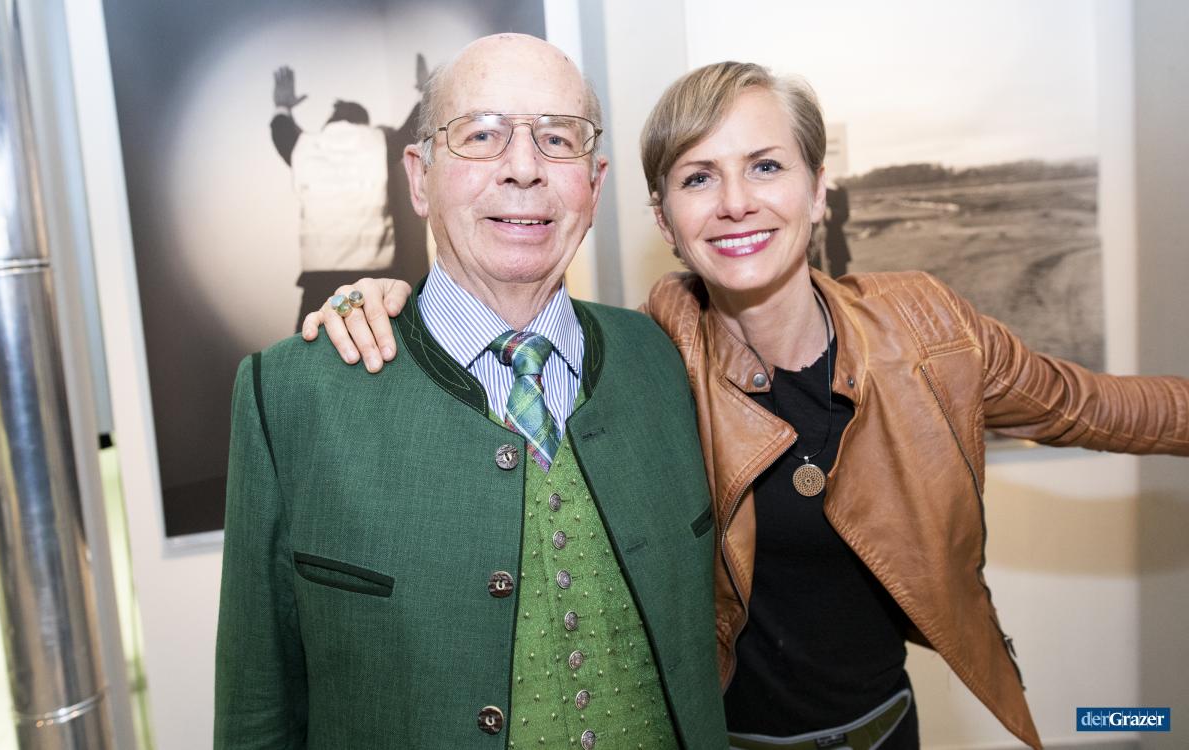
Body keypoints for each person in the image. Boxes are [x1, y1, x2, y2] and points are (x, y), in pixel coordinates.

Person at [305, 61, 1189, 749]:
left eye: (766, 166)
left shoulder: (929, 330)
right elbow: (505, 327)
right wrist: (384, 298)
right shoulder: (651, 353)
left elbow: (1106, 408)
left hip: (888, 729)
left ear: (817, 188)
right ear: (664, 218)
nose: (735, 204)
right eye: (698, 178)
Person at [217, 36, 729, 748]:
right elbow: (256, 712)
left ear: (595, 183)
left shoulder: (662, 357)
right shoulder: (292, 396)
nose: (523, 167)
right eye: (482, 135)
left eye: (558, 139)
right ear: (419, 177)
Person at [271, 64, 429, 329]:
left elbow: (281, 133)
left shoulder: (304, 147)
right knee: (376, 344)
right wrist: (423, 92)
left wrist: (282, 106)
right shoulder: (378, 142)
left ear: (328, 122)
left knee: (310, 344)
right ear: (364, 122)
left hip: (317, 280)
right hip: (372, 280)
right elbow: (411, 129)